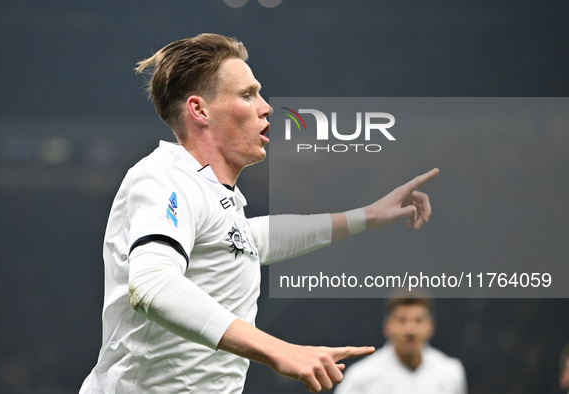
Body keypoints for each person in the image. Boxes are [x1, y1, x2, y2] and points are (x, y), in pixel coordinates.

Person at [79, 33, 439, 393]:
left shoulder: (213, 195)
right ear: (199, 110)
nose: (265, 107)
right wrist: (279, 350)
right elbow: (152, 285)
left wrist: (368, 215)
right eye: (247, 95)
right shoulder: (164, 176)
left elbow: (253, 239)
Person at [335, 297, 466, 394]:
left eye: (418, 320)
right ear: (387, 327)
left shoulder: (451, 372)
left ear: (430, 327)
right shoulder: (361, 377)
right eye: (402, 320)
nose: (410, 330)